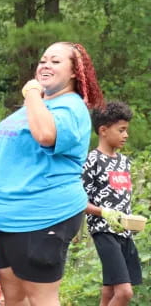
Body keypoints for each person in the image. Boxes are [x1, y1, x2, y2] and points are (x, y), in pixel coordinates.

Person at [0, 42, 104, 306]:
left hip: (42, 216)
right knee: (14, 298)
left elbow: (46, 135)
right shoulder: (36, 105)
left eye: (55, 61)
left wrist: (32, 93)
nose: (45, 65)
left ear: (75, 71)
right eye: (42, 60)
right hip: (9, 220)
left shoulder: (71, 107)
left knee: (41, 300)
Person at [83, 101, 141, 306]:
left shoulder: (125, 161)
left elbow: (123, 198)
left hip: (124, 233)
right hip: (104, 231)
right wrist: (104, 213)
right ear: (103, 130)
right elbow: (79, 201)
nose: (126, 135)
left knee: (109, 291)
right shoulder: (92, 160)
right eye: (121, 130)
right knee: (124, 292)